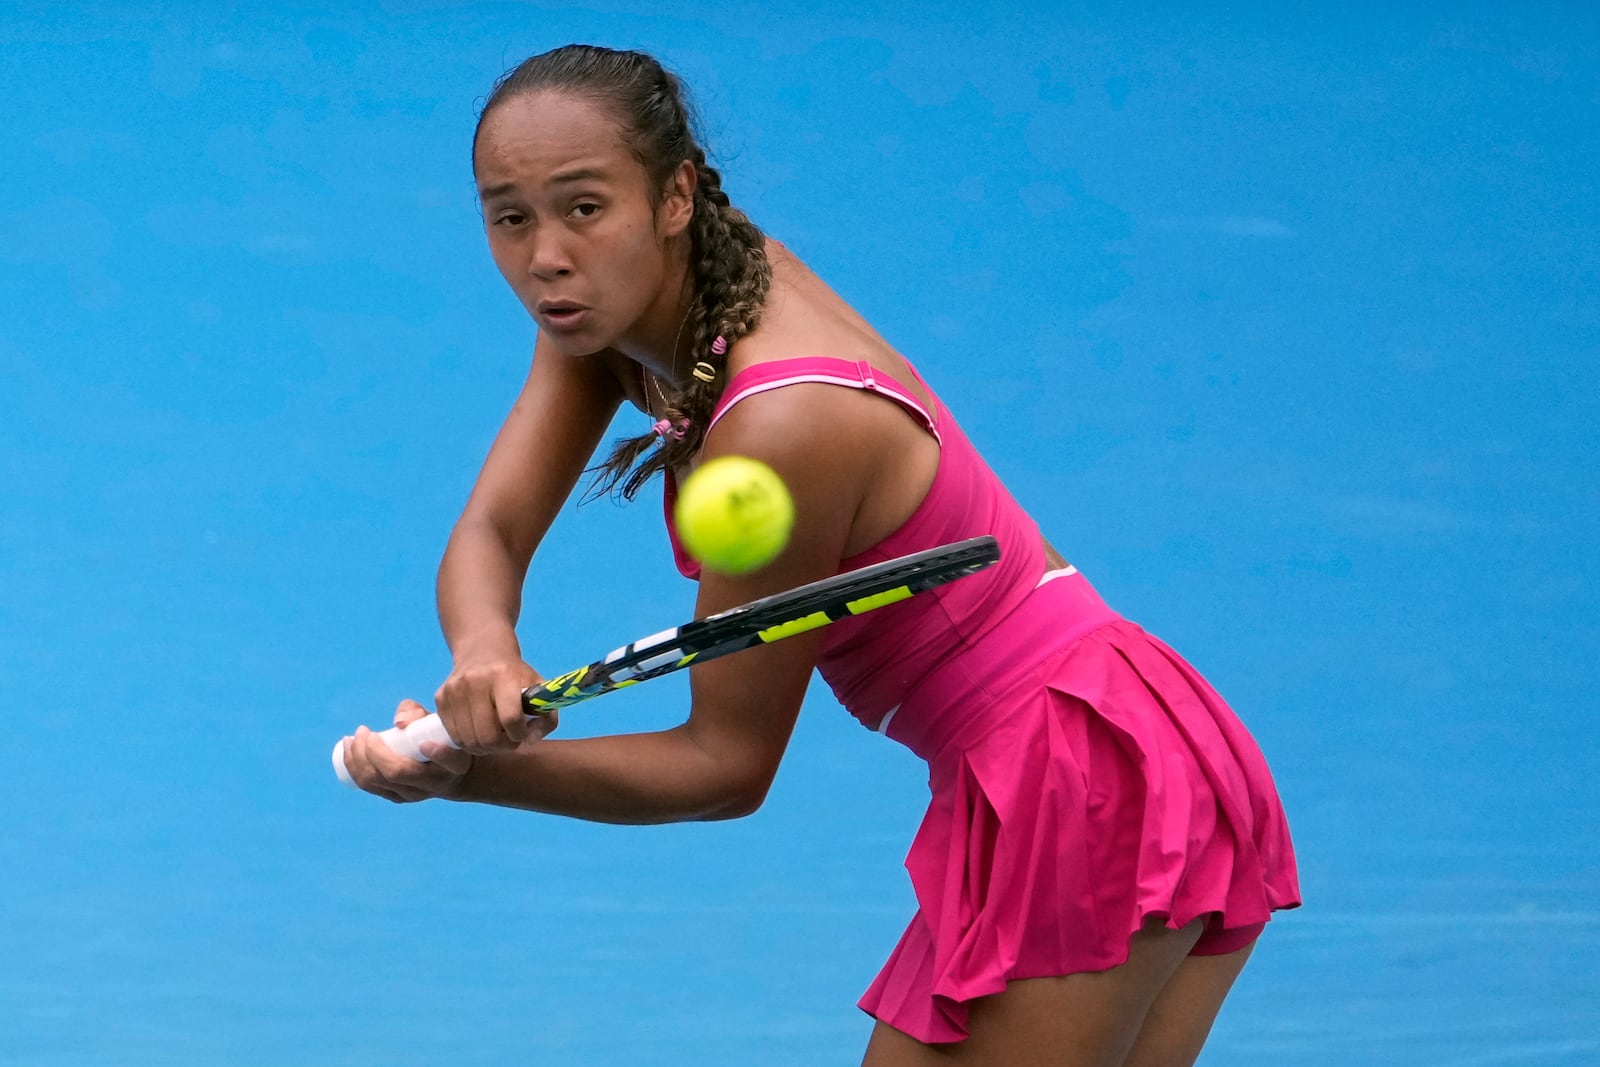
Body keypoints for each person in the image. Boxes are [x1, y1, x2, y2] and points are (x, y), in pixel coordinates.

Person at [338, 43, 1300, 1066]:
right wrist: (484, 646)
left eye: (584, 206)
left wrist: (467, 778)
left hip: (1077, 778)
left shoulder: (782, 429)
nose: (544, 256)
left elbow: (722, 767)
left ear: (676, 196)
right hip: (1126, 734)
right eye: (509, 215)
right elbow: (491, 531)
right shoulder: (635, 298)